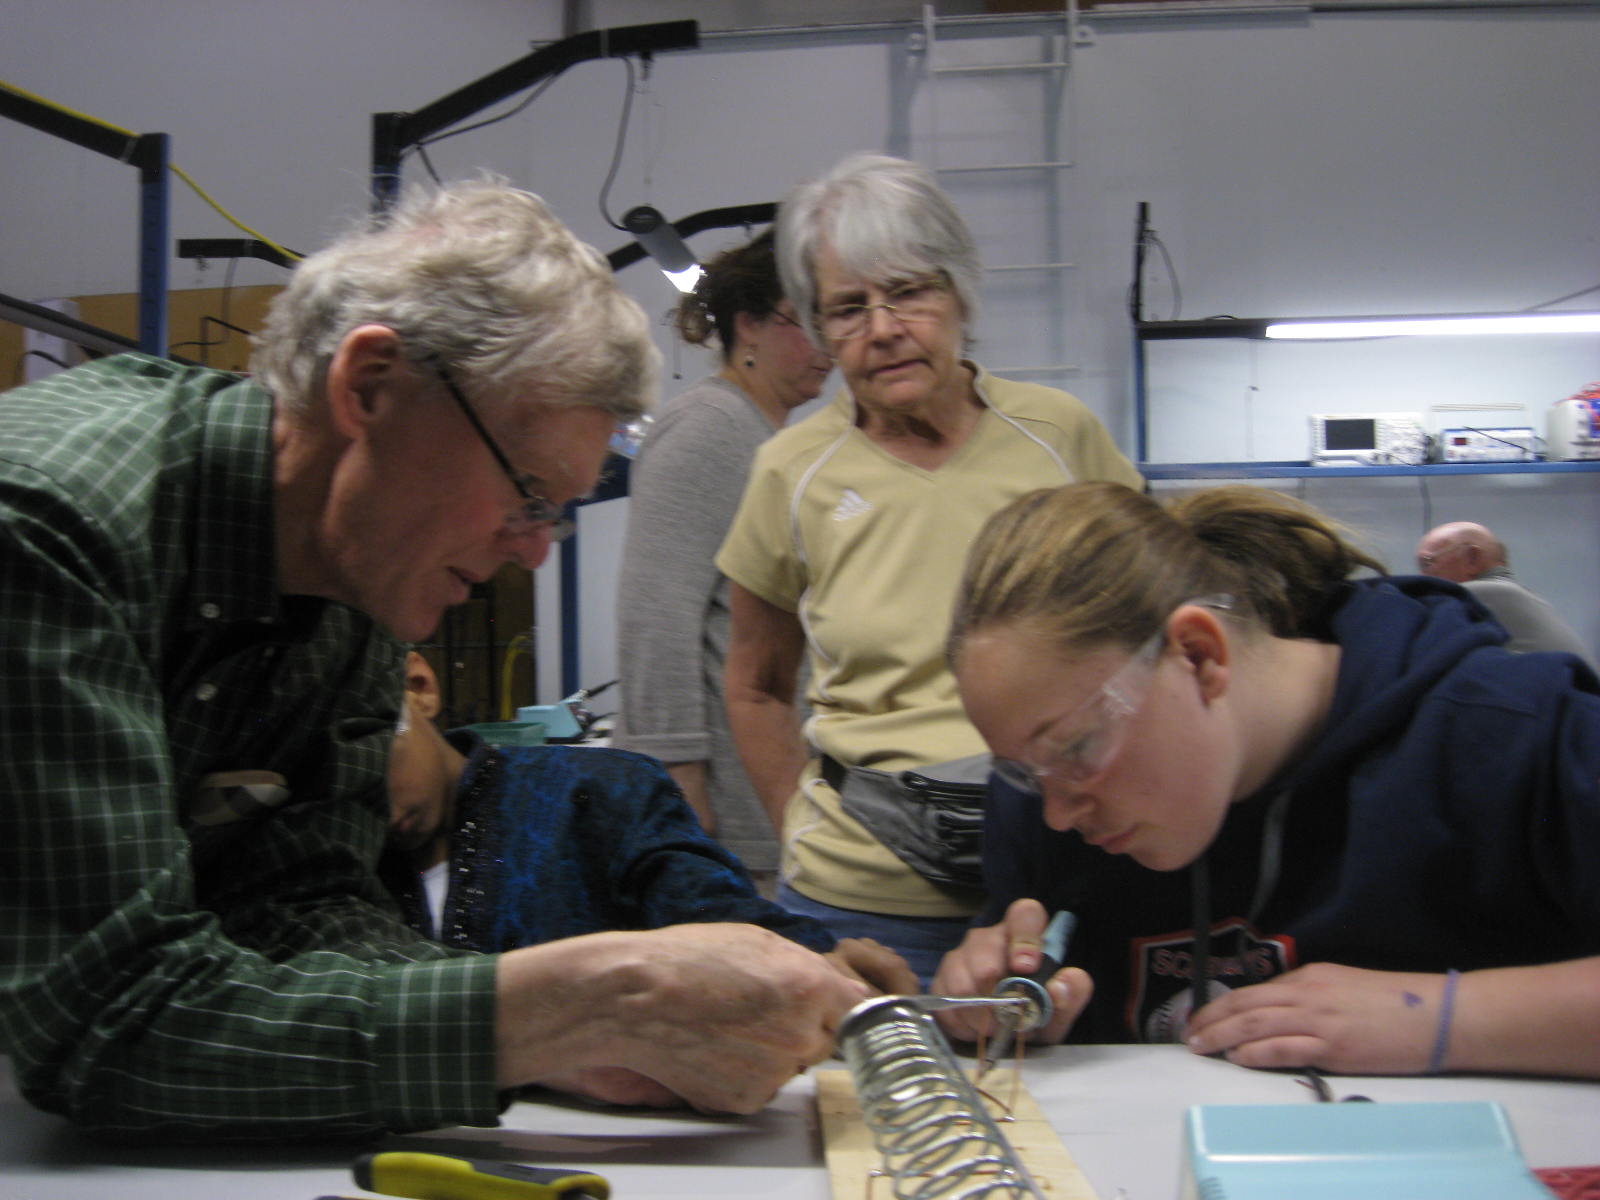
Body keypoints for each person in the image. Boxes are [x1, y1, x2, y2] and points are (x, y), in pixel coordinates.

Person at [0, 178, 874, 1144]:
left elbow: (299, 913)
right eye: (528, 494)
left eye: (555, 515)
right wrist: (570, 1006)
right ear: (370, 387)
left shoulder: (351, 589)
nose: (534, 551)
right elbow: (107, 1017)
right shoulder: (47, 526)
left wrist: (572, 1047)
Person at [934, 481, 1600, 1080]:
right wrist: (1009, 996)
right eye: (1022, 771)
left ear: (1198, 656)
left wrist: (1442, 1019)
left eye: (1076, 747)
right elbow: (1032, 977)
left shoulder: (1517, 734)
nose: (1056, 812)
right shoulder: (1045, 804)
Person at [715, 153, 1143, 983]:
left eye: (909, 292)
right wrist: (796, 825)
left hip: (1062, 878)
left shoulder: (1061, 437)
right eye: (848, 308)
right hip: (862, 901)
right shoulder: (790, 471)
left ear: (960, 295)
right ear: (819, 329)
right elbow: (756, 684)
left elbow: (1150, 627)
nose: (882, 329)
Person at [381, 652, 913, 986]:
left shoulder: (597, 793)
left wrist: (815, 960)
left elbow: (709, 910)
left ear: (420, 686)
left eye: (380, 760)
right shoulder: (349, 865)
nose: (383, 810)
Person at [614, 230, 832, 885]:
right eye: (807, 322)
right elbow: (654, 614)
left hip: (770, 804)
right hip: (724, 821)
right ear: (750, 326)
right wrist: (675, 779)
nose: (828, 347)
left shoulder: (769, 438)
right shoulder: (711, 427)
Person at [1416, 520, 1596, 667]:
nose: (1422, 576)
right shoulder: (1521, 597)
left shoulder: (1474, 595)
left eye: (1428, 563)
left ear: (1472, 558)